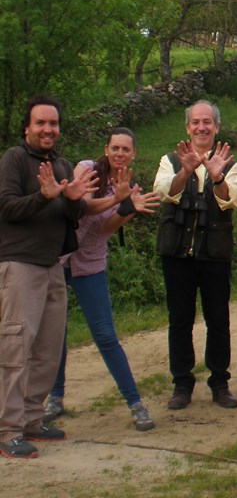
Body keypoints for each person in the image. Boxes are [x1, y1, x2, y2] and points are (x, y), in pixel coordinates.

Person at [45, 128, 161, 433]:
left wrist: (126, 207)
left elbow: (105, 229)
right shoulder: (86, 170)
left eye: (126, 149)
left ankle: (135, 403)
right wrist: (116, 200)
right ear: (106, 149)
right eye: (115, 148)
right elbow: (80, 209)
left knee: (105, 335)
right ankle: (54, 399)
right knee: (56, 331)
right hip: (58, 258)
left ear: (134, 154)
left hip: (89, 262)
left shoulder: (129, 187)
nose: (120, 154)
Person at [0, 95, 96, 459]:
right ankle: (6, 428)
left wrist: (71, 199)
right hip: (19, 263)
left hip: (53, 265)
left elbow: (72, 214)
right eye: (40, 123)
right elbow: (6, 206)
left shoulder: (60, 163)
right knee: (15, 347)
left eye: (53, 123)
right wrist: (42, 195)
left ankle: (30, 419)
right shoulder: (14, 159)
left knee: (47, 348)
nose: (48, 129)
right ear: (27, 127)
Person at [154, 99, 237, 411]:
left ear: (216, 127)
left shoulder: (229, 164)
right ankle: (182, 384)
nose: (201, 127)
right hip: (177, 254)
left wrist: (217, 177)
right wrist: (186, 171)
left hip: (214, 254)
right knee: (179, 320)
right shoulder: (170, 160)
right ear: (187, 127)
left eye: (207, 122)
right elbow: (165, 192)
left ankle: (220, 383)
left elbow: (231, 201)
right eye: (196, 122)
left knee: (218, 320)